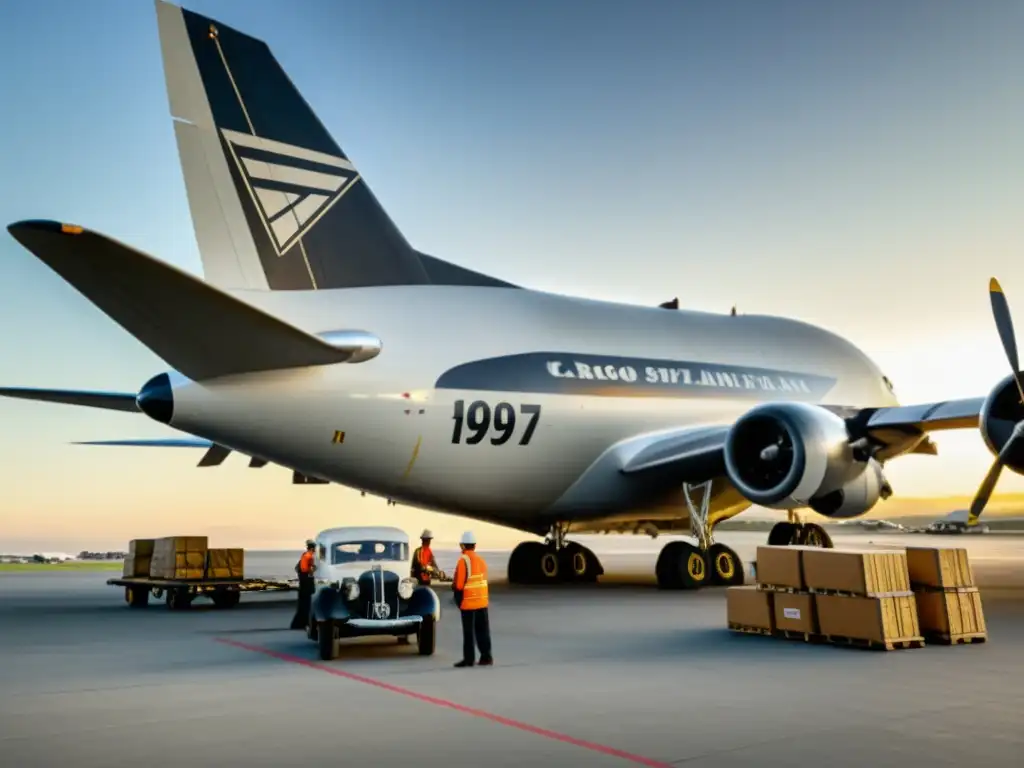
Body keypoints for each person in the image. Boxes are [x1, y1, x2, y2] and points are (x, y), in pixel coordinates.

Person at [451, 531, 492, 668]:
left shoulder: (463, 561)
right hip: (482, 602)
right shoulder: (481, 560)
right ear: (474, 545)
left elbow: (459, 585)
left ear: (463, 546)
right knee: (483, 630)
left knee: (469, 633)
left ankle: (469, 659)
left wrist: (457, 596)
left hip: (468, 603)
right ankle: (486, 657)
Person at [290, 539, 316, 630]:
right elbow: (308, 570)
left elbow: (298, 568)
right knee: (306, 605)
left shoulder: (305, 556)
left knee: (303, 606)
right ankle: (301, 624)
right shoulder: (308, 557)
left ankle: (298, 624)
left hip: (304, 584)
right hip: (307, 585)